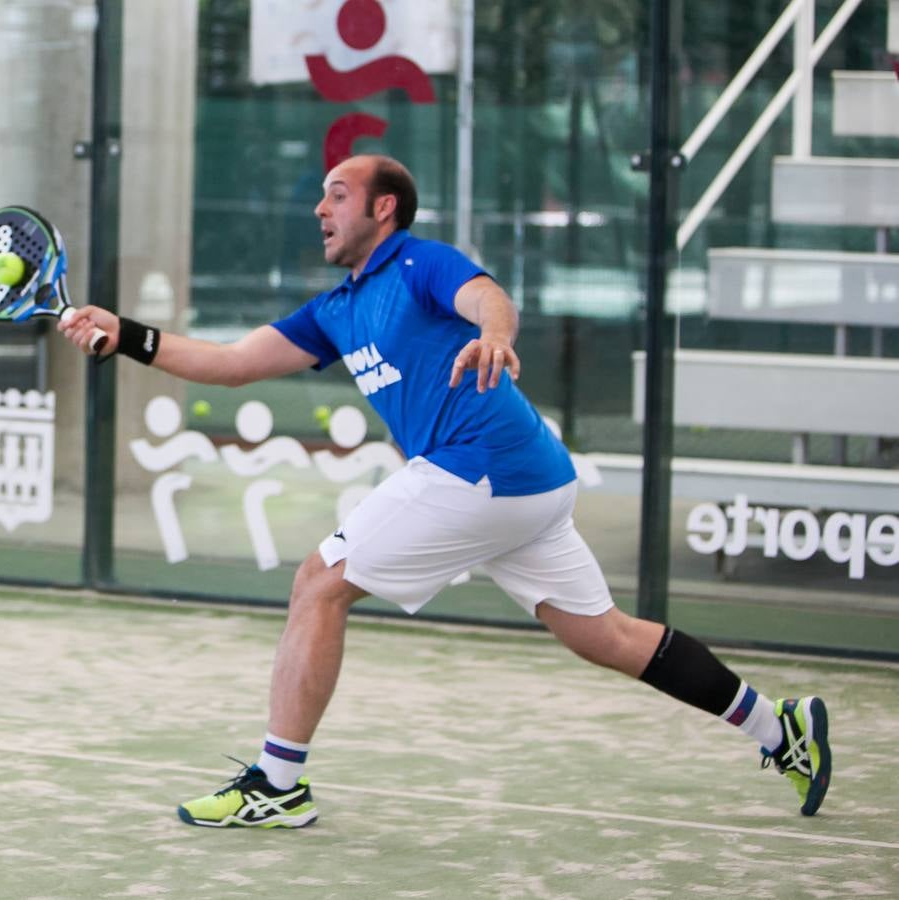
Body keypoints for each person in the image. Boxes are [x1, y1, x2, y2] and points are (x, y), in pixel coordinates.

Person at [57, 154, 831, 827]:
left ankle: (277, 786)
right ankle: (778, 728)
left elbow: (487, 297)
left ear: (381, 206)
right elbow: (227, 362)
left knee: (318, 582)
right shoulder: (335, 310)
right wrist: (123, 334)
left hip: (481, 465)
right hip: (526, 482)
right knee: (605, 636)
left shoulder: (418, 264)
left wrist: (494, 335)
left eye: (336, 194)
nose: (320, 209)